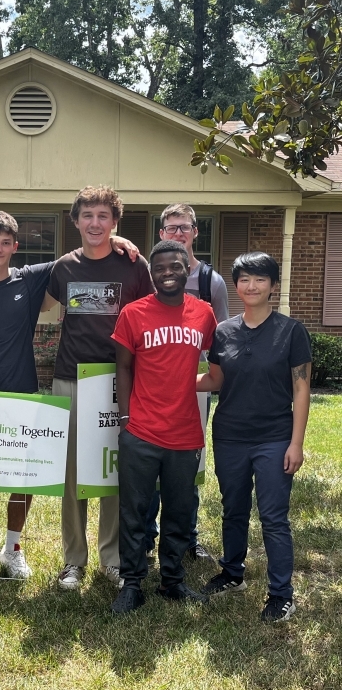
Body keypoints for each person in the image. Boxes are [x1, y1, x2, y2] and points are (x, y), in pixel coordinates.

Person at [0, 208, 140, 579]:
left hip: (23, 387)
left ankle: (14, 547)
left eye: (5, 242)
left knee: (25, 473)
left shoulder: (30, 278)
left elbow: (81, 254)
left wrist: (116, 240)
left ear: (15, 246)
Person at [42, 186, 152, 592]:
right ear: (75, 221)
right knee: (73, 475)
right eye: (87, 215)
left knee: (111, 471)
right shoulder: (63, 268)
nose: (94, 223)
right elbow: (45, 314)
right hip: (70, 378)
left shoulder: (134, 267)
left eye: (103, 216)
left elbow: (151, 317)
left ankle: (112, 558)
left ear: (115, 222)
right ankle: (74, 560)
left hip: (117, 379)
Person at [198, 252, 311, 622]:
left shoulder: (291, 331)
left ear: (273, 286)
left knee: (274, 517)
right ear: (236, 285)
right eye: (245, 279)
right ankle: (233, 573)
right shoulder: (224, 331)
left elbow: (301, 390)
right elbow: (215, 379)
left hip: (274, 437)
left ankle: (281, 594)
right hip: (229, 434)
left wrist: (296, 443)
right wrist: (170, 380)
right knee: (233, 509)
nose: (252, 286)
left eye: (260, 279)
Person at [111, 240, 217, 614]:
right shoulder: (133, 313)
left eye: (175, 266)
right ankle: (132, 583)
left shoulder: (203, 314)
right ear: (151, 273)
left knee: (178, 510)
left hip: (185, 432)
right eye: (160, 268)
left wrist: (198, 382)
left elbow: (216, 365)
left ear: (188, 268)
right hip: (140, 430)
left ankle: (172, 581)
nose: (167, 273)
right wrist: (125, 420)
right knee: (134, 511)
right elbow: (123, 367)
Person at [145, 203, 231, 561]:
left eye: (184, 228)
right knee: (150, 466)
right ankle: (148, 539)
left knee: (187, 468)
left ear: (196, 233)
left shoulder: (212, 282)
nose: (177, 233)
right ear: (161, 234)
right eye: (170, 228)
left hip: (195, 387)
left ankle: (187, 538)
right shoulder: (152, 273)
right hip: (154, 388)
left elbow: (225, 342)